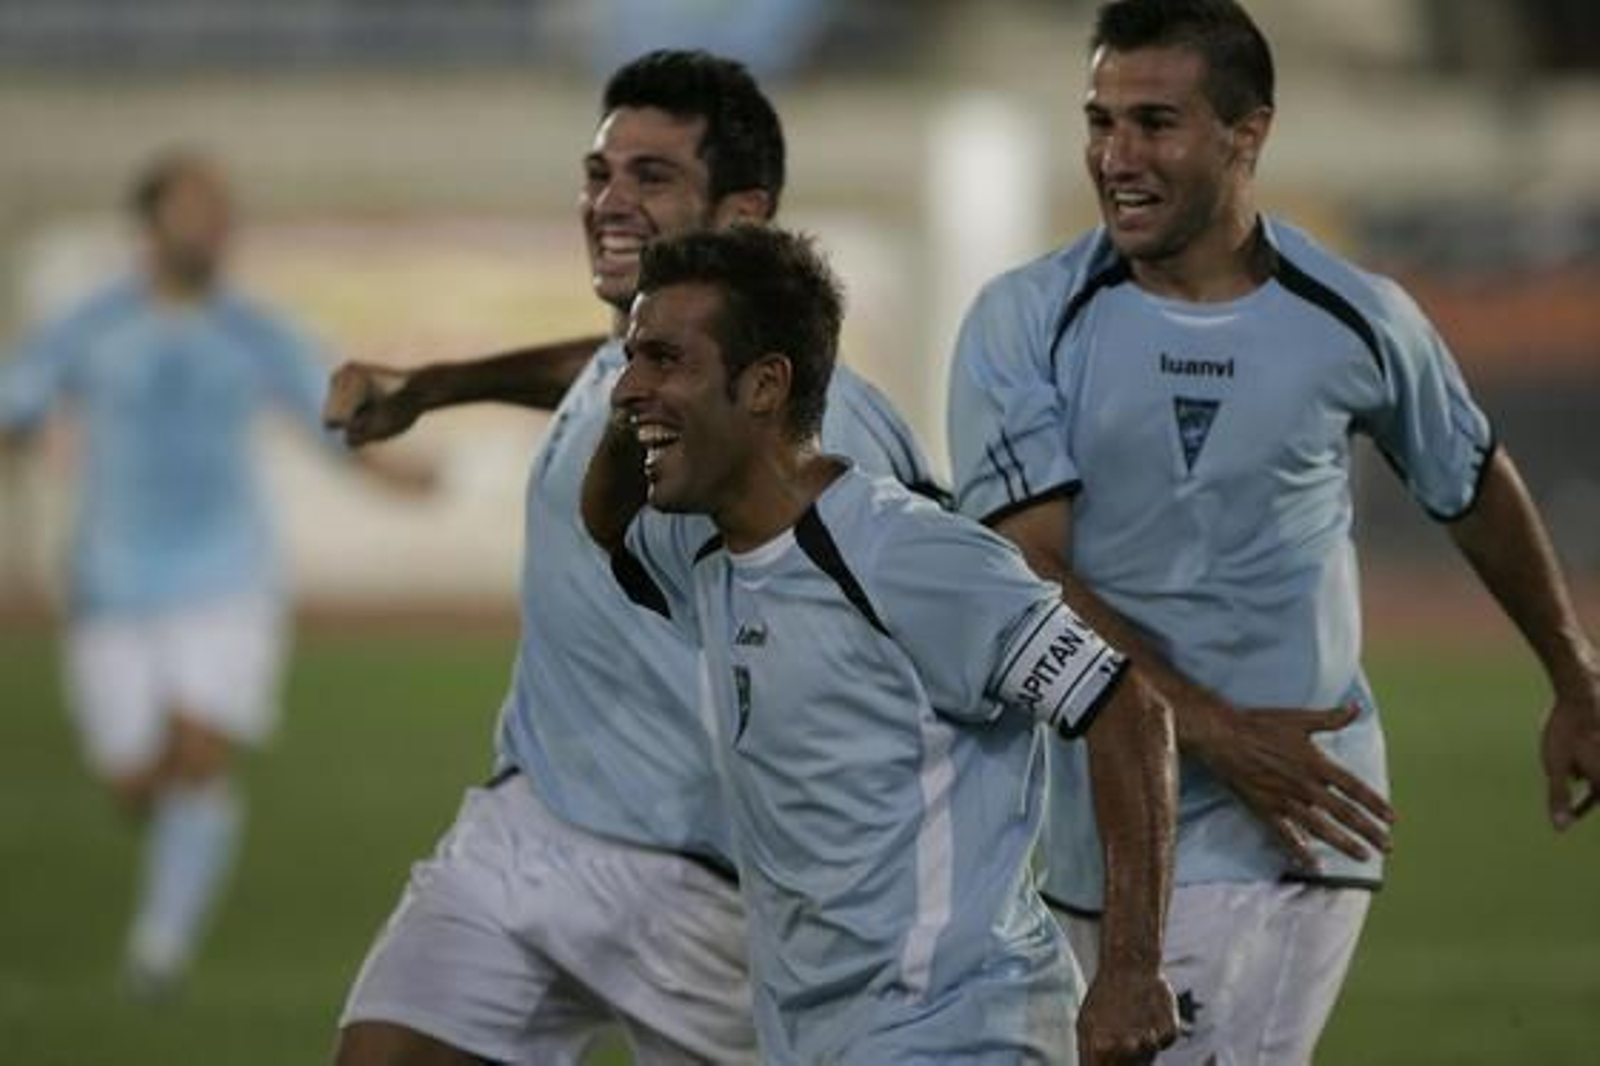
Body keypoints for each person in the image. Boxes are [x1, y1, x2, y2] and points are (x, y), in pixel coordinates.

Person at [946, 0, 1600, 1061]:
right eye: (1099, 121)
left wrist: (1572, 672)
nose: (1116, 156)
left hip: (1290, 819)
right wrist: (1207, 729)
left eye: (1154, 123)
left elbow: (1471, 480)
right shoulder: (1024, 320)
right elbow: (1029, 568)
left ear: (1246, 135)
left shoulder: (1357, 318)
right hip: (1094, 825)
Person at [330, 51, 944, 1066]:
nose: (608, 201)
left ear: (742, 217)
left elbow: (933, 627)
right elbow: (587, 370)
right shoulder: (633, 357)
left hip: (710, 894)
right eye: (599, 173)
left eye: (651, 177)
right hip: (529, 828)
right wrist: (435, 386)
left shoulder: (819, 426)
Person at [581, 223, 1179, 1064]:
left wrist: (1129, 970)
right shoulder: (704, 551)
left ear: (764, 385)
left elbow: (1128, 710)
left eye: (666, 359)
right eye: (631, 359)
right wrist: (643, 407)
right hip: (817, 1041)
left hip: (957, 1031)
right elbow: (607, 520)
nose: (628, 384)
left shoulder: (908, 556)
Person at [0, 150, 424, 997]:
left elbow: (330, 417)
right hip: (111, 581)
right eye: (195, 207)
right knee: (134, 781)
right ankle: (182, 832)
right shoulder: (90, 326)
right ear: (150, 222)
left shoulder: (255, 328)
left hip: (227, 575)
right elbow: (17, 406)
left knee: (199, 749)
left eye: (221, 210)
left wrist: (402, 472)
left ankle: (159, 950)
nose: (214, 225)